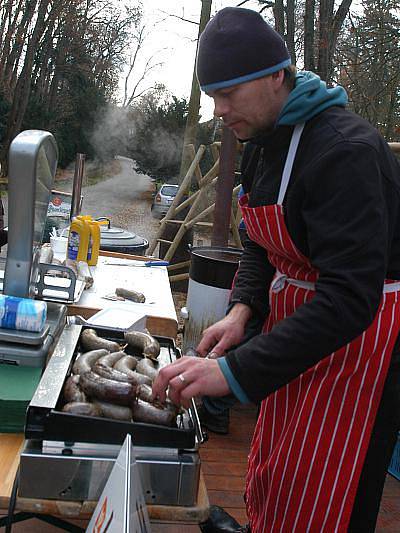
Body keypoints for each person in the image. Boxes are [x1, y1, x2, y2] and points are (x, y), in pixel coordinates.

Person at [153, 7, 400, 532]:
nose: (219, 110)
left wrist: (233, 371)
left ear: (276, 75)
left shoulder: (345, 152)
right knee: (276, 456)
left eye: (229, 93)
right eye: (212, 96)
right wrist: (243, 310)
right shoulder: (263, 140)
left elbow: (352, 297)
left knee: (326, 477)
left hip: (358, 343)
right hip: (297, 325)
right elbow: (260, 241)